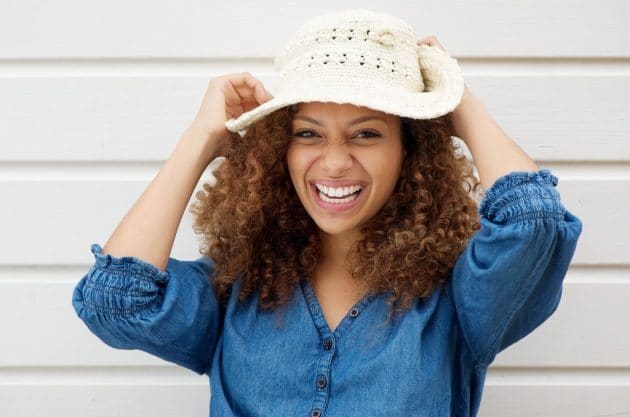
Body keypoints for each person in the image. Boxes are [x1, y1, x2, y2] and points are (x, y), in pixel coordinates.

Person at [71, 8, 583, 417]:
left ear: (411, 150)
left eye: (367, 132)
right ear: (279, 152)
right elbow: (116, 300)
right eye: (307, 133)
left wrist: (460, 102)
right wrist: (200, 140)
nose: (335, 162)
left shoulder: (460, 299)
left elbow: (532, 221)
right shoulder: (237, 288)